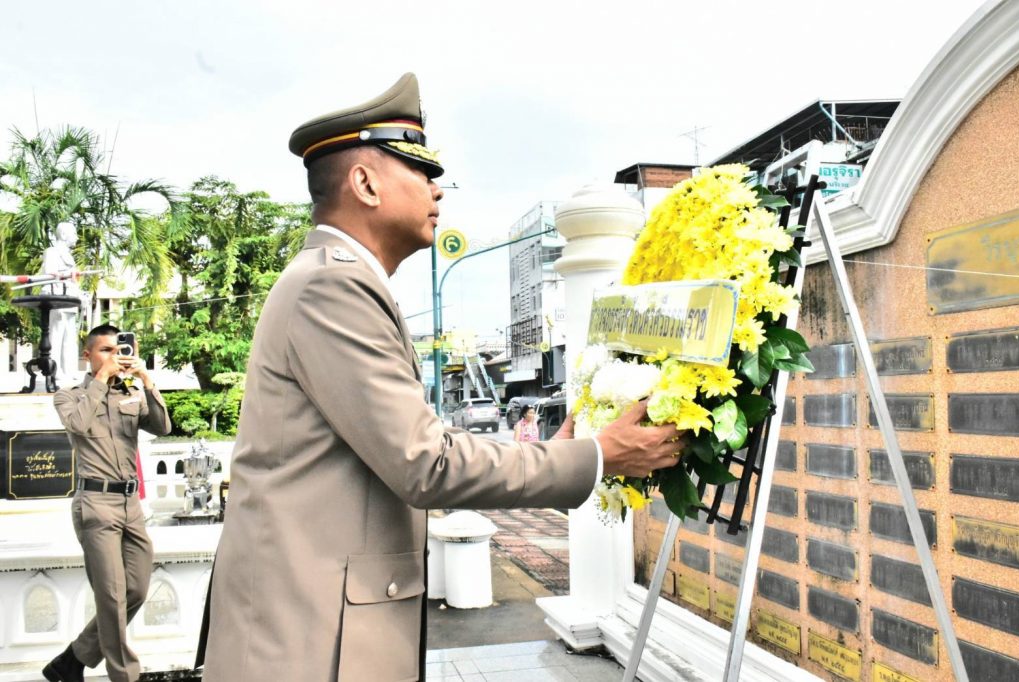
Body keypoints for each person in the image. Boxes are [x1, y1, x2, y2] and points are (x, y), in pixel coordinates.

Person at [198, 73, 682, 682]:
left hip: (311, 629)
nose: (437, 190)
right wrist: (599, 455)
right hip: (304, 645)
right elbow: (426, 462)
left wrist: (561, 457)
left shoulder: (337, 278)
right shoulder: (334, 286)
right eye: (422, 171)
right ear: (365, 183)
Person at [45, 324, 172, 682]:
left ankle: (73, 659)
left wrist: (147, 381)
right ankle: (124, 675)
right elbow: (78, 425)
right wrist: (101, 379)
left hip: (131, 505)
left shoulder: (131, 393)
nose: (115, 356)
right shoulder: (69, 396)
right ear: (87, 355)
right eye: (106, 350)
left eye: (119, 349)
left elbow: (163, 427)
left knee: (137, 589)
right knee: (112, 598)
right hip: (96, 503)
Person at [40, 221, 90, 383]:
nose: (76, 237)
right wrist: (65, 274)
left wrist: (80, 294)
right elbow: (49, 273)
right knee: (56, 335)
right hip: (57, 298)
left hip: (70, 299)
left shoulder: (69, 256)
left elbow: (72, 281)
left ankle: (70, 370)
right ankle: (54, 370)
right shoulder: (52, 252)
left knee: (70, 337)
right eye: (74, 233)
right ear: (63, 234)